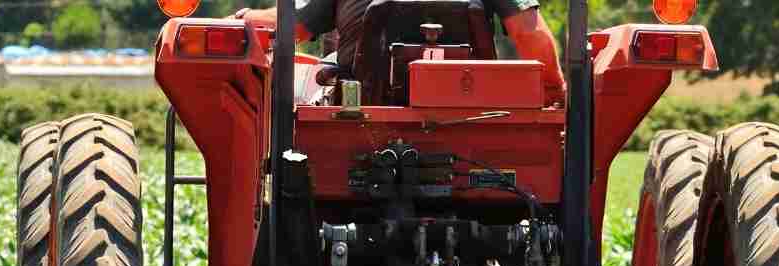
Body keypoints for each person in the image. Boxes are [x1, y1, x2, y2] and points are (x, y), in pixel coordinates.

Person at [232, 0, 565, 106]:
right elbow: (528, 32)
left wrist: (246, 19)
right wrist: (554, 90)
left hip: (360, 115)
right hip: (468, 113)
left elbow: (292, 28)